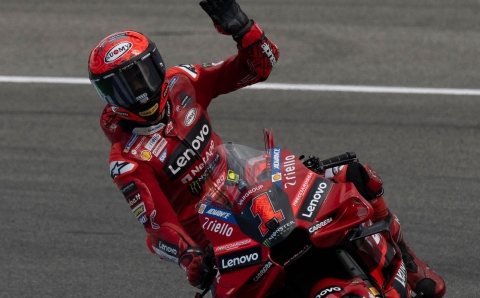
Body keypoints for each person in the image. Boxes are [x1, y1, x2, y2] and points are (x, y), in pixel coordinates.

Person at [87, 1, 445, 296]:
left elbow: (260, 66)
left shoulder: (184, 82)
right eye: (123, 86)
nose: (140, 90)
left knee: (358, 176)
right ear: (107, 96)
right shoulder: (128, 160)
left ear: (158, 64)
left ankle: (409, 265)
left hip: (255, 185)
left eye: (143, 74)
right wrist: (189, 256)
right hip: (220, 239)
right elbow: (158, 225)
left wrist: (243, 29)